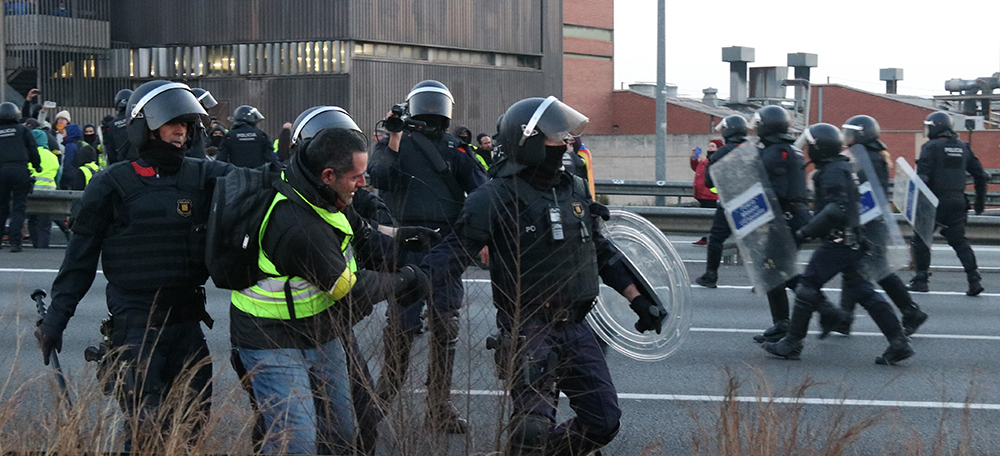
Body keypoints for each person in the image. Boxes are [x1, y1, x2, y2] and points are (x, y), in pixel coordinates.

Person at [421, 96, 666, 455]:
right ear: (530, 141)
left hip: (578, 326)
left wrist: (640, 298)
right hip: (527, 325)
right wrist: (405, 281)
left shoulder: (573, 191)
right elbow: (451, 256)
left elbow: (601, 251)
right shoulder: (492, 198)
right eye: (557, 136)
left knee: (602, 422)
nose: (566, 142)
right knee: (531, 430)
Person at [34, 80, 232, 451]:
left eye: (186, 125)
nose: (181, 132)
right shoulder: (112, 183)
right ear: (146, 126)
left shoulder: (204, 176)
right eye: (173, 123)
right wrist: (55, 320)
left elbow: (262, 188)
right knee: (145, 431)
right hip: (137, 326)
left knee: (191, 429)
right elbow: (78, 260)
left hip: (188, 324)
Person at [230, 125, 429, 455]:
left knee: (339, 433)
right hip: (272, 339)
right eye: (357, 177)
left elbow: (360, 234)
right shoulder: (298, 224)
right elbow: (349, 290)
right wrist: (405, 281)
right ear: (328, 175)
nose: (364, 184)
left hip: (321, 329)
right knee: (297, 442)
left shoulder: (324, 195)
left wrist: (403, 236)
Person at [368, 79, 487, 433]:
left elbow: (483, 193)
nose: (433, 112)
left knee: (445, 327)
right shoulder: (392, 145)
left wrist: (475, 237)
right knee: (401, 328)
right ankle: (380, 403)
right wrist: (393, 137)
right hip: (404, 245)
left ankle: (439, 406)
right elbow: (379, 177)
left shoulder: (457, 150)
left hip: (445, 247)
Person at [763, 123, 914, 365]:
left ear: (820, 148)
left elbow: (836, 209)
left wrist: (805, 231)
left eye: (811, 146)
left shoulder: (832, 171)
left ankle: (792, 343)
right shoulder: (841, 167)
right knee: (864, 291)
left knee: (807, 287)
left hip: (838, 241)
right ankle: (899, 342)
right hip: (852, 240)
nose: (808, 151)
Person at [833, 115, 928, 336]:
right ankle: (845, 318)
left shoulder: (868, 158)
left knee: (876, 271)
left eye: (850, 132)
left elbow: (864, 192)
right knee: (856, 270)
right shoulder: (867, 155)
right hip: (869, 222)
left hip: (870, 223)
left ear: (861, 134)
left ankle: (910, 312)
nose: (847, 136)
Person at [744, 106, 813, 344]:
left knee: (780, 272)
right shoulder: (791, 150)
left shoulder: (774, 152)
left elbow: (778, 191)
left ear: (767, 125)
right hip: (793, 217)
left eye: (759, 123)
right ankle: (782, 323)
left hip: (783, 218)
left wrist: (753, 198)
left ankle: (822, 308)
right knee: (775, 272)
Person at [908, 111, 989, 296]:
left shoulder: (931, 147)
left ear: (935, 127)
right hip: (958, 202)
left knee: (921, 239)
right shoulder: (963, 147)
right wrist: (980, 203)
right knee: (959, 242)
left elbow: (922, 178)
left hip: (935, 202)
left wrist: (916, 203)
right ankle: (974, 279)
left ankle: (921, 280)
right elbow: (980, 175)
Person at [694, 116, 746, 288]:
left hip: (730, 202)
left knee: (716, 239)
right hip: (753, 202)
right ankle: (764, 279)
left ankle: (711, 275)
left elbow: (709, 182)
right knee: (757, 241)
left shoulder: (721, 153)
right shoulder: (754, 150)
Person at [0, 101, 40, 252]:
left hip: (1, 172)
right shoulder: (22, 131)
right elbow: (33, 149)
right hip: (20, 171)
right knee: (18, 207)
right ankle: (15, 242)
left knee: (1, 207)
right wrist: (37, 165)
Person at [27, 128, 59, 248]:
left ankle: (35, 244)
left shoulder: (29, 153)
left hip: (31, 192)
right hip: (48, 193)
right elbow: (58, 175)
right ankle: (43, 246)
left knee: (32, 220)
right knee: (45, 223)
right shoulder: (52, 156)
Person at [690, 139, 721, 244]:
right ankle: (705, 237)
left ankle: (709, 237)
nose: (710, 148)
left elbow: (712, 168)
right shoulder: (707, 159)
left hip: (710, 193)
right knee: (705, 216)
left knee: (711, 216)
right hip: (702, 194)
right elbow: (696, 168)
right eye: (709, 146)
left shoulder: (716, 158)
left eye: (712, 146)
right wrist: (694, 158)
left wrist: (703, 161)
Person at [104, 89, 133, 164]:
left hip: (122, 166)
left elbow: (110, 152)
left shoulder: (111, 126)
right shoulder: (140, 119)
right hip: (143, 165)